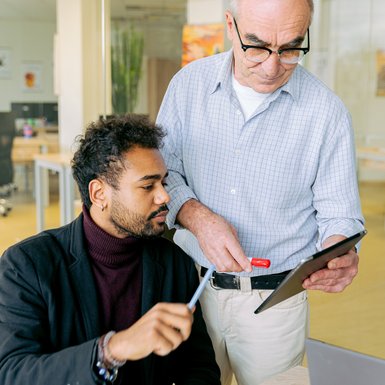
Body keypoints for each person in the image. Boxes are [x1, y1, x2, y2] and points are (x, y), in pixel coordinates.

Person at [156, 0, 365, 384]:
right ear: (230, 25)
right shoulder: (188, 86)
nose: (272, 67)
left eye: (290, 48)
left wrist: (341, 252)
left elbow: (340, 215)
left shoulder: (327, 113)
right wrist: (197, 217)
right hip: (190, 289)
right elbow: (163, 175)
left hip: (274, 306)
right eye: (256, 46)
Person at [0, 114, 221, 385]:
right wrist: (111, 350)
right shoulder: (27, 265)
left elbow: (200, 369)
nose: (165, 196)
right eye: (147, 185)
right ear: (99, 194)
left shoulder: (174, 263)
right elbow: (12, 373)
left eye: (163, 182)